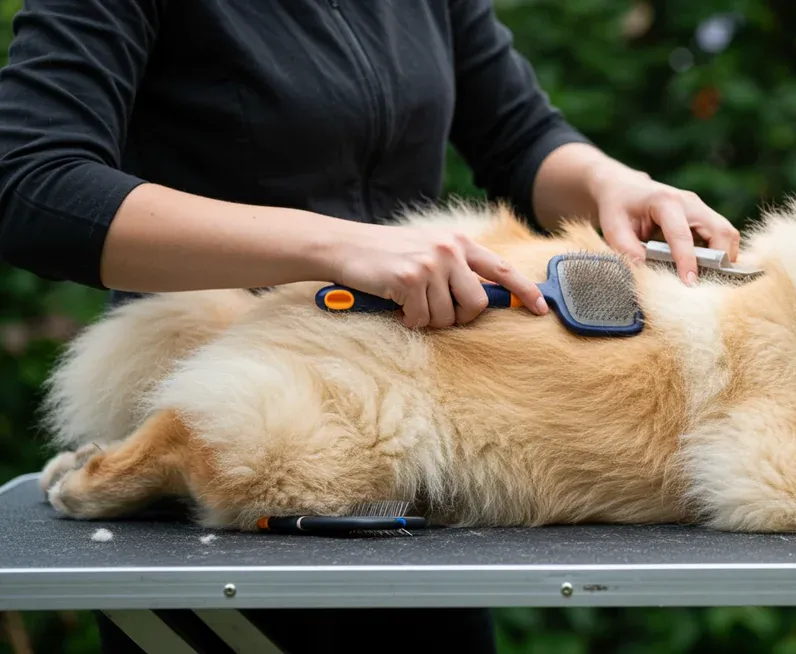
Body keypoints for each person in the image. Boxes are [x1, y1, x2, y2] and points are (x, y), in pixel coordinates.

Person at [0, 1, 742, 652]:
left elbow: (518, 134)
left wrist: (616, 185)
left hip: (413, 452)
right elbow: (33, 185)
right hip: (227, 445)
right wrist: (335, 244)